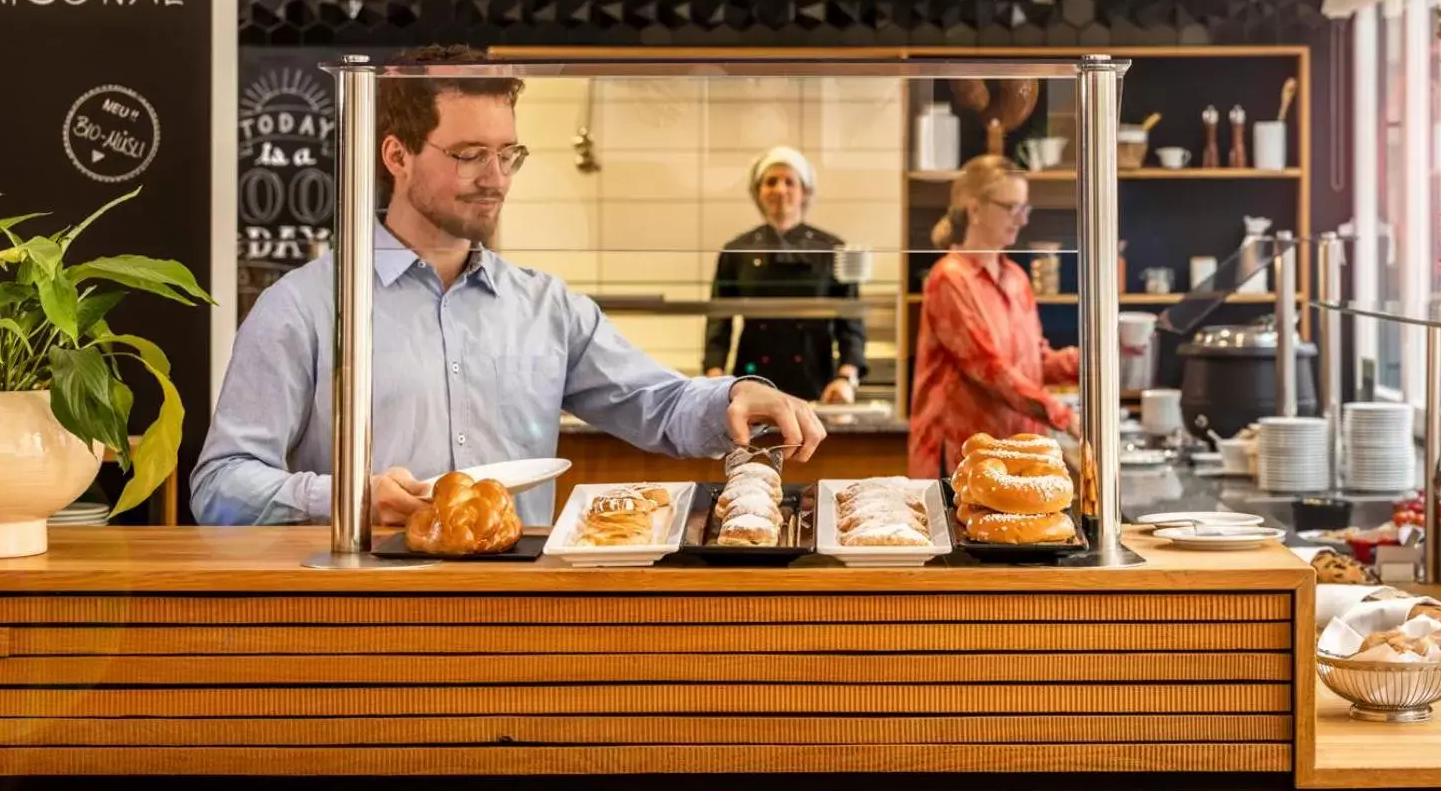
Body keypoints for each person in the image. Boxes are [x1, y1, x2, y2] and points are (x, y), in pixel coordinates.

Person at [193, 45, 825, 527]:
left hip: (519, 614)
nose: (495, 177)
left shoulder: (545, 307)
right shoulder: (303, 307)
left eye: (509, 154)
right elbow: (218, 487)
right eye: (469, 154)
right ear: (396, 155)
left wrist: (737, 396)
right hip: (361, 615)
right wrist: (347, 497)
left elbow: (657, 404)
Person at [907, 154, 1080, 478]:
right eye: (1011, 207)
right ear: (974, 209)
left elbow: (1034, 363)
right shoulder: (949, 278)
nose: (1022, 219)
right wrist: (1063, 416)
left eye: (1025, 208)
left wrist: (1090, 362)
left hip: (1015, 452)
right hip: (962, 457)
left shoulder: (1016, 277)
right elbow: (990, 369)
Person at [703, 146, 866, 403]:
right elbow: (718, 323)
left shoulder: (833, 249)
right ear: (758, 192)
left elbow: (851, 325)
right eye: (771, 182)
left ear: (805, 192)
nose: (780, 190)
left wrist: (846, 378)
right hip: (752, 383)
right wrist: (714, 380)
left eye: (789, 182)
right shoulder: (736, 250)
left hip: (817, 384)